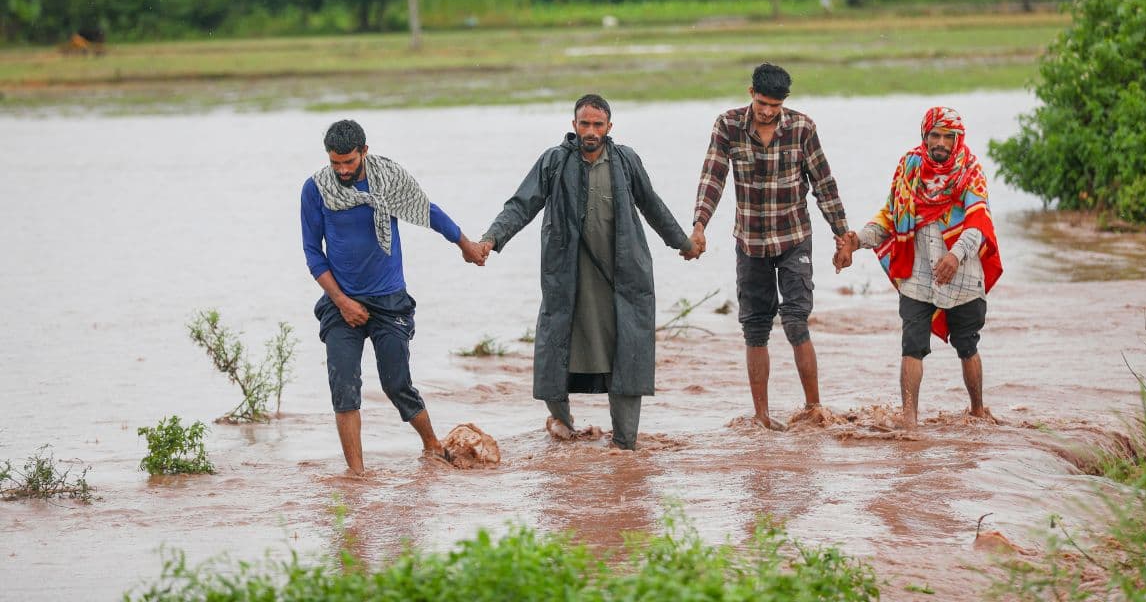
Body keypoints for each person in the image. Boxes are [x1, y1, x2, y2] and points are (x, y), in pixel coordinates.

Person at [479, 94, 701, 450]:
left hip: (623, 279)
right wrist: (491, 239)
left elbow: (652, 205)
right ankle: (564, 428)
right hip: (568, 281)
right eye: (585, 124)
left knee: (628, 352)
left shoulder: (626, 161)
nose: (591, 131)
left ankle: (625, 446)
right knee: (555, 350)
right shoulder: (553, 162)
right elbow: (521, 206)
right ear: (574, 126)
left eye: (598, 125)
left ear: (610, 127)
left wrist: (683, 243)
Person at [301, 119, 487, 474]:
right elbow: (312, 252)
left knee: (396, 383)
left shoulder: (389, 179)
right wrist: (342, 301)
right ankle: (356, 475)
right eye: (335, 162)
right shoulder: (316, 190)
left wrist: (464, 244)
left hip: (389, 301)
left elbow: (426, 210)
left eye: (349, 162)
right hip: (341, 304)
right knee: (344, 387)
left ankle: (432, 445)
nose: (341, 170)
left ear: (364, 152)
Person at [691, 63, 850, 430]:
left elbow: (824, 185)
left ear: (784, 104)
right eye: (762, 103)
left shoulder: (802, 128)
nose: (767, 112)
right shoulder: (728, 126)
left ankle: (815, 410)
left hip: (794, 237)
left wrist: (842, 237)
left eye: (774, 107)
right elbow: (712, 177)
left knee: (796, 322)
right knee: (755, 327)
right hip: (750, 241)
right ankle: (762, 416)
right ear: (751, 93)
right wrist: (699, 226)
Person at [834, 106, 1002, 430]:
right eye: (934, 135)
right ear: (925, 136)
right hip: (917, 277)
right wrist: (857, 241)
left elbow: (978, 223)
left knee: (967, 346)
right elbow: (889, 216)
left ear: (957, 139)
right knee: (911, 346)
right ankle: (909, 419)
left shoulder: (969, 170)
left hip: (963, 276)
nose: (940, 142)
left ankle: (978, 410)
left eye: (947, 136)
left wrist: (956, 256)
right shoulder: (910, 168)